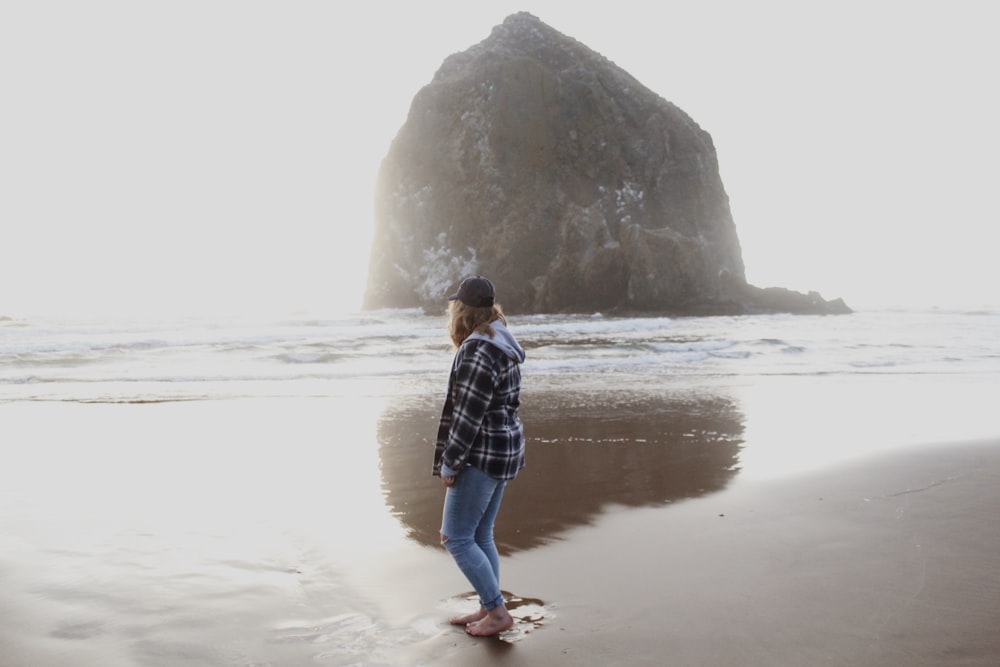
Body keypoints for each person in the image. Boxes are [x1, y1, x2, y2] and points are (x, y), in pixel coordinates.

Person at [434, 275, 526, 637]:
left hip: (482, 454)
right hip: (504, 447)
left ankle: (497, 612)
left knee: (455, 537)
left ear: (461, 310)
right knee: (481, 533)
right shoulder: (502, 340)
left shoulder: (476, 349)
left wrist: (450, 462)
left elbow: (468, 416)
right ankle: (487, 605)